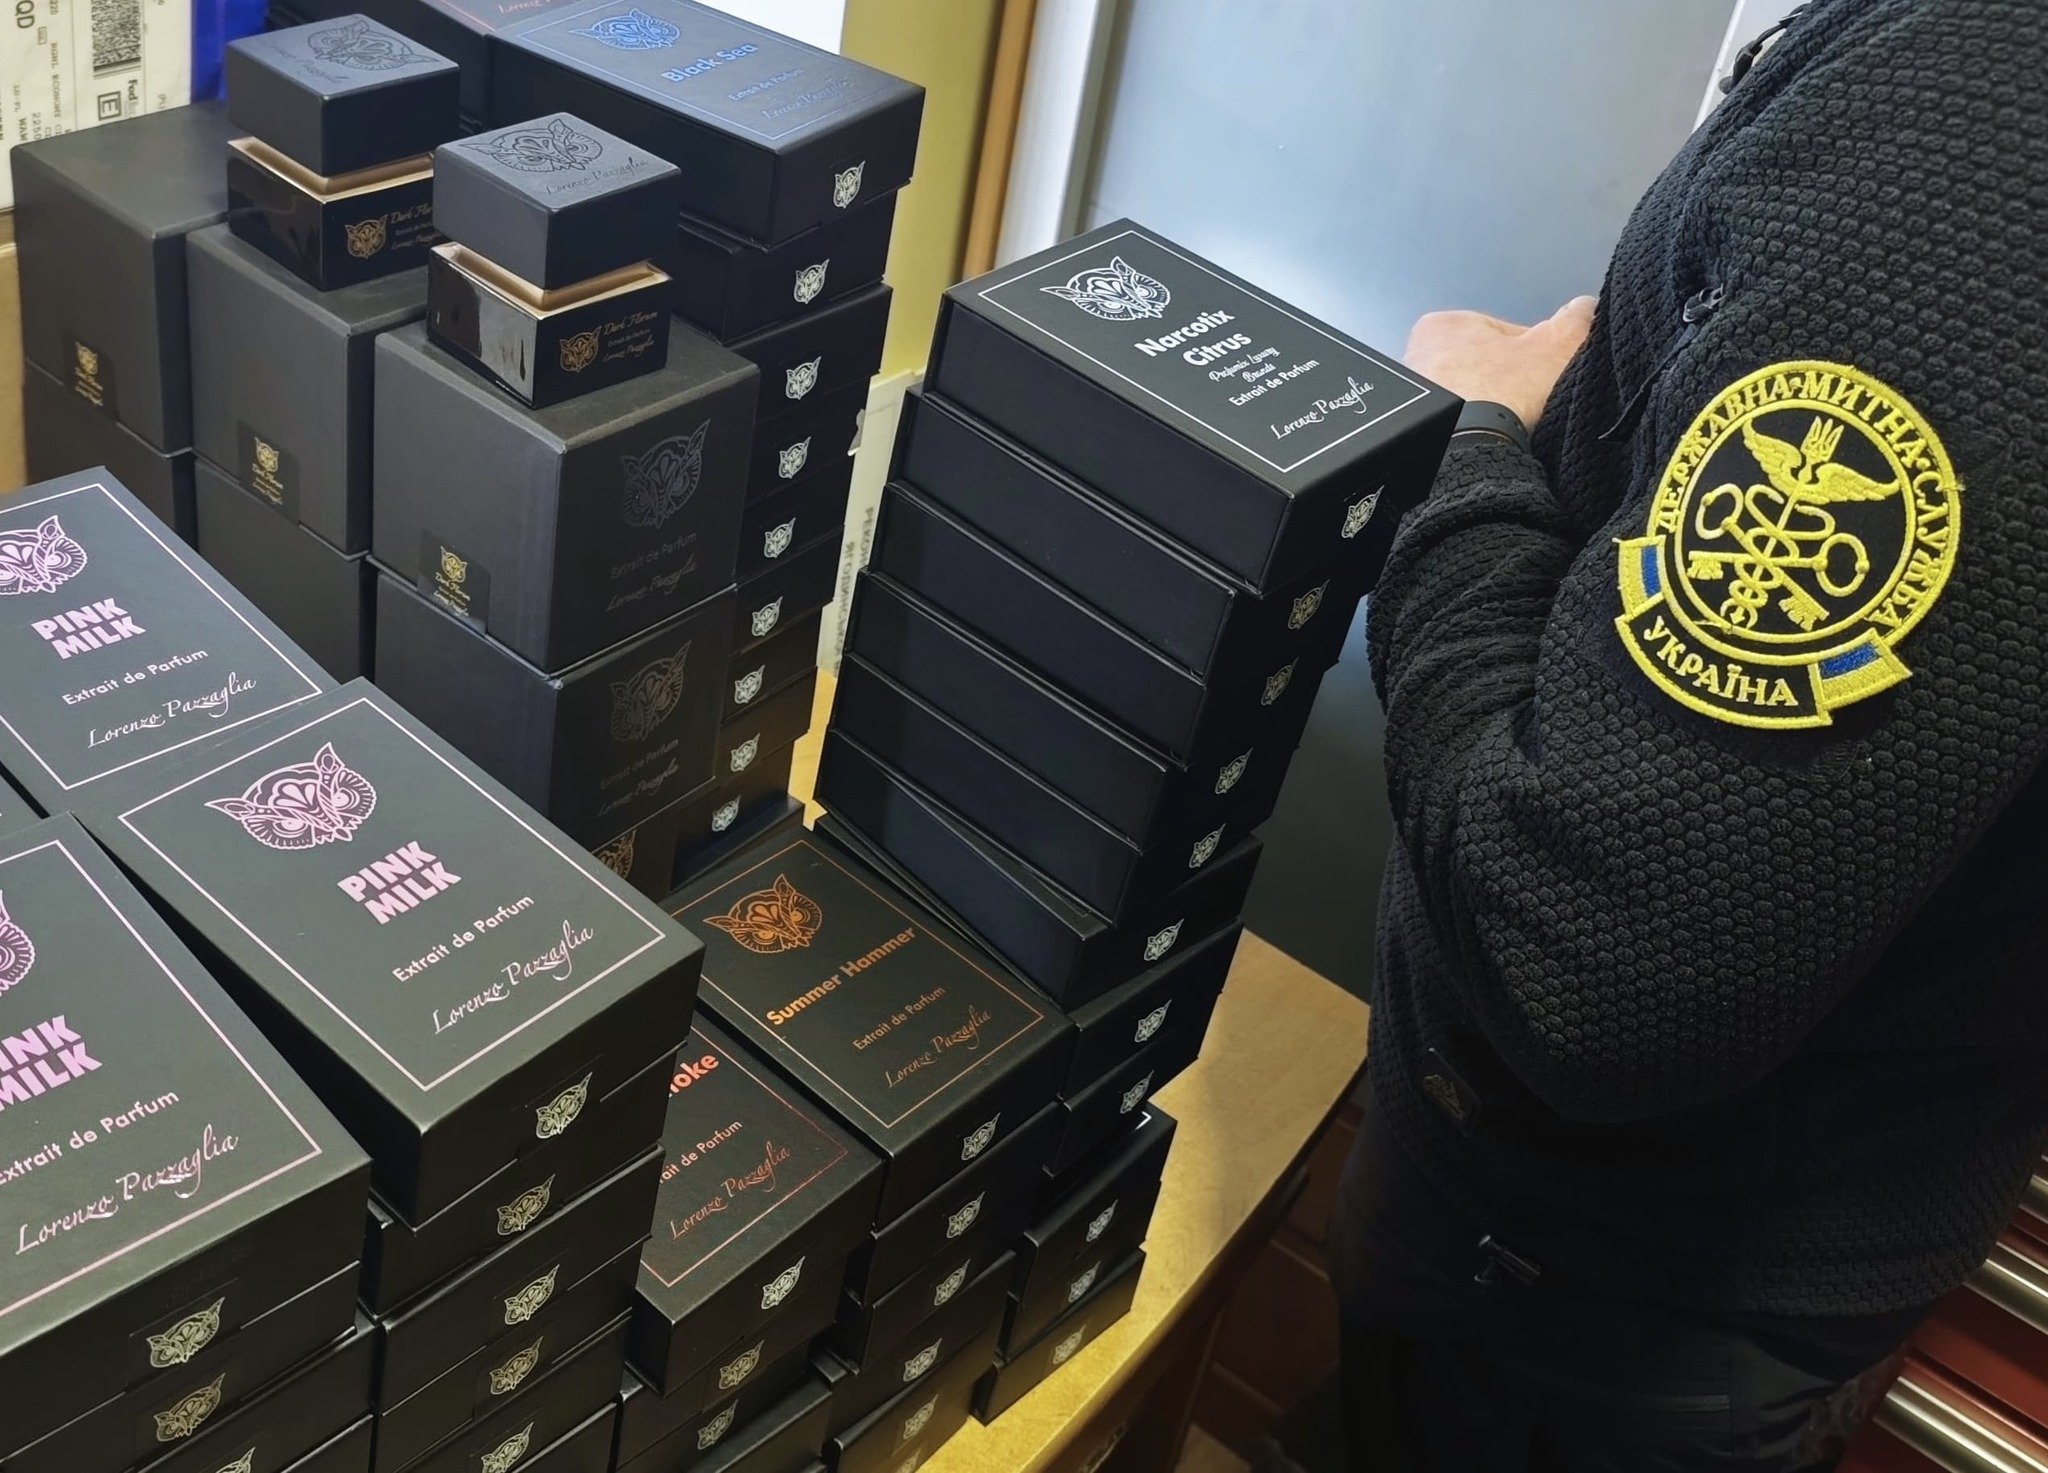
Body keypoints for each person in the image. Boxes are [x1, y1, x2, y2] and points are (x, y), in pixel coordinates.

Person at [1335, 1, 2048, 1468]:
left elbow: (1584, 965)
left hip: (1587, 1299)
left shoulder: (1977, 135)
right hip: (1661, 1258)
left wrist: (1462, 453)